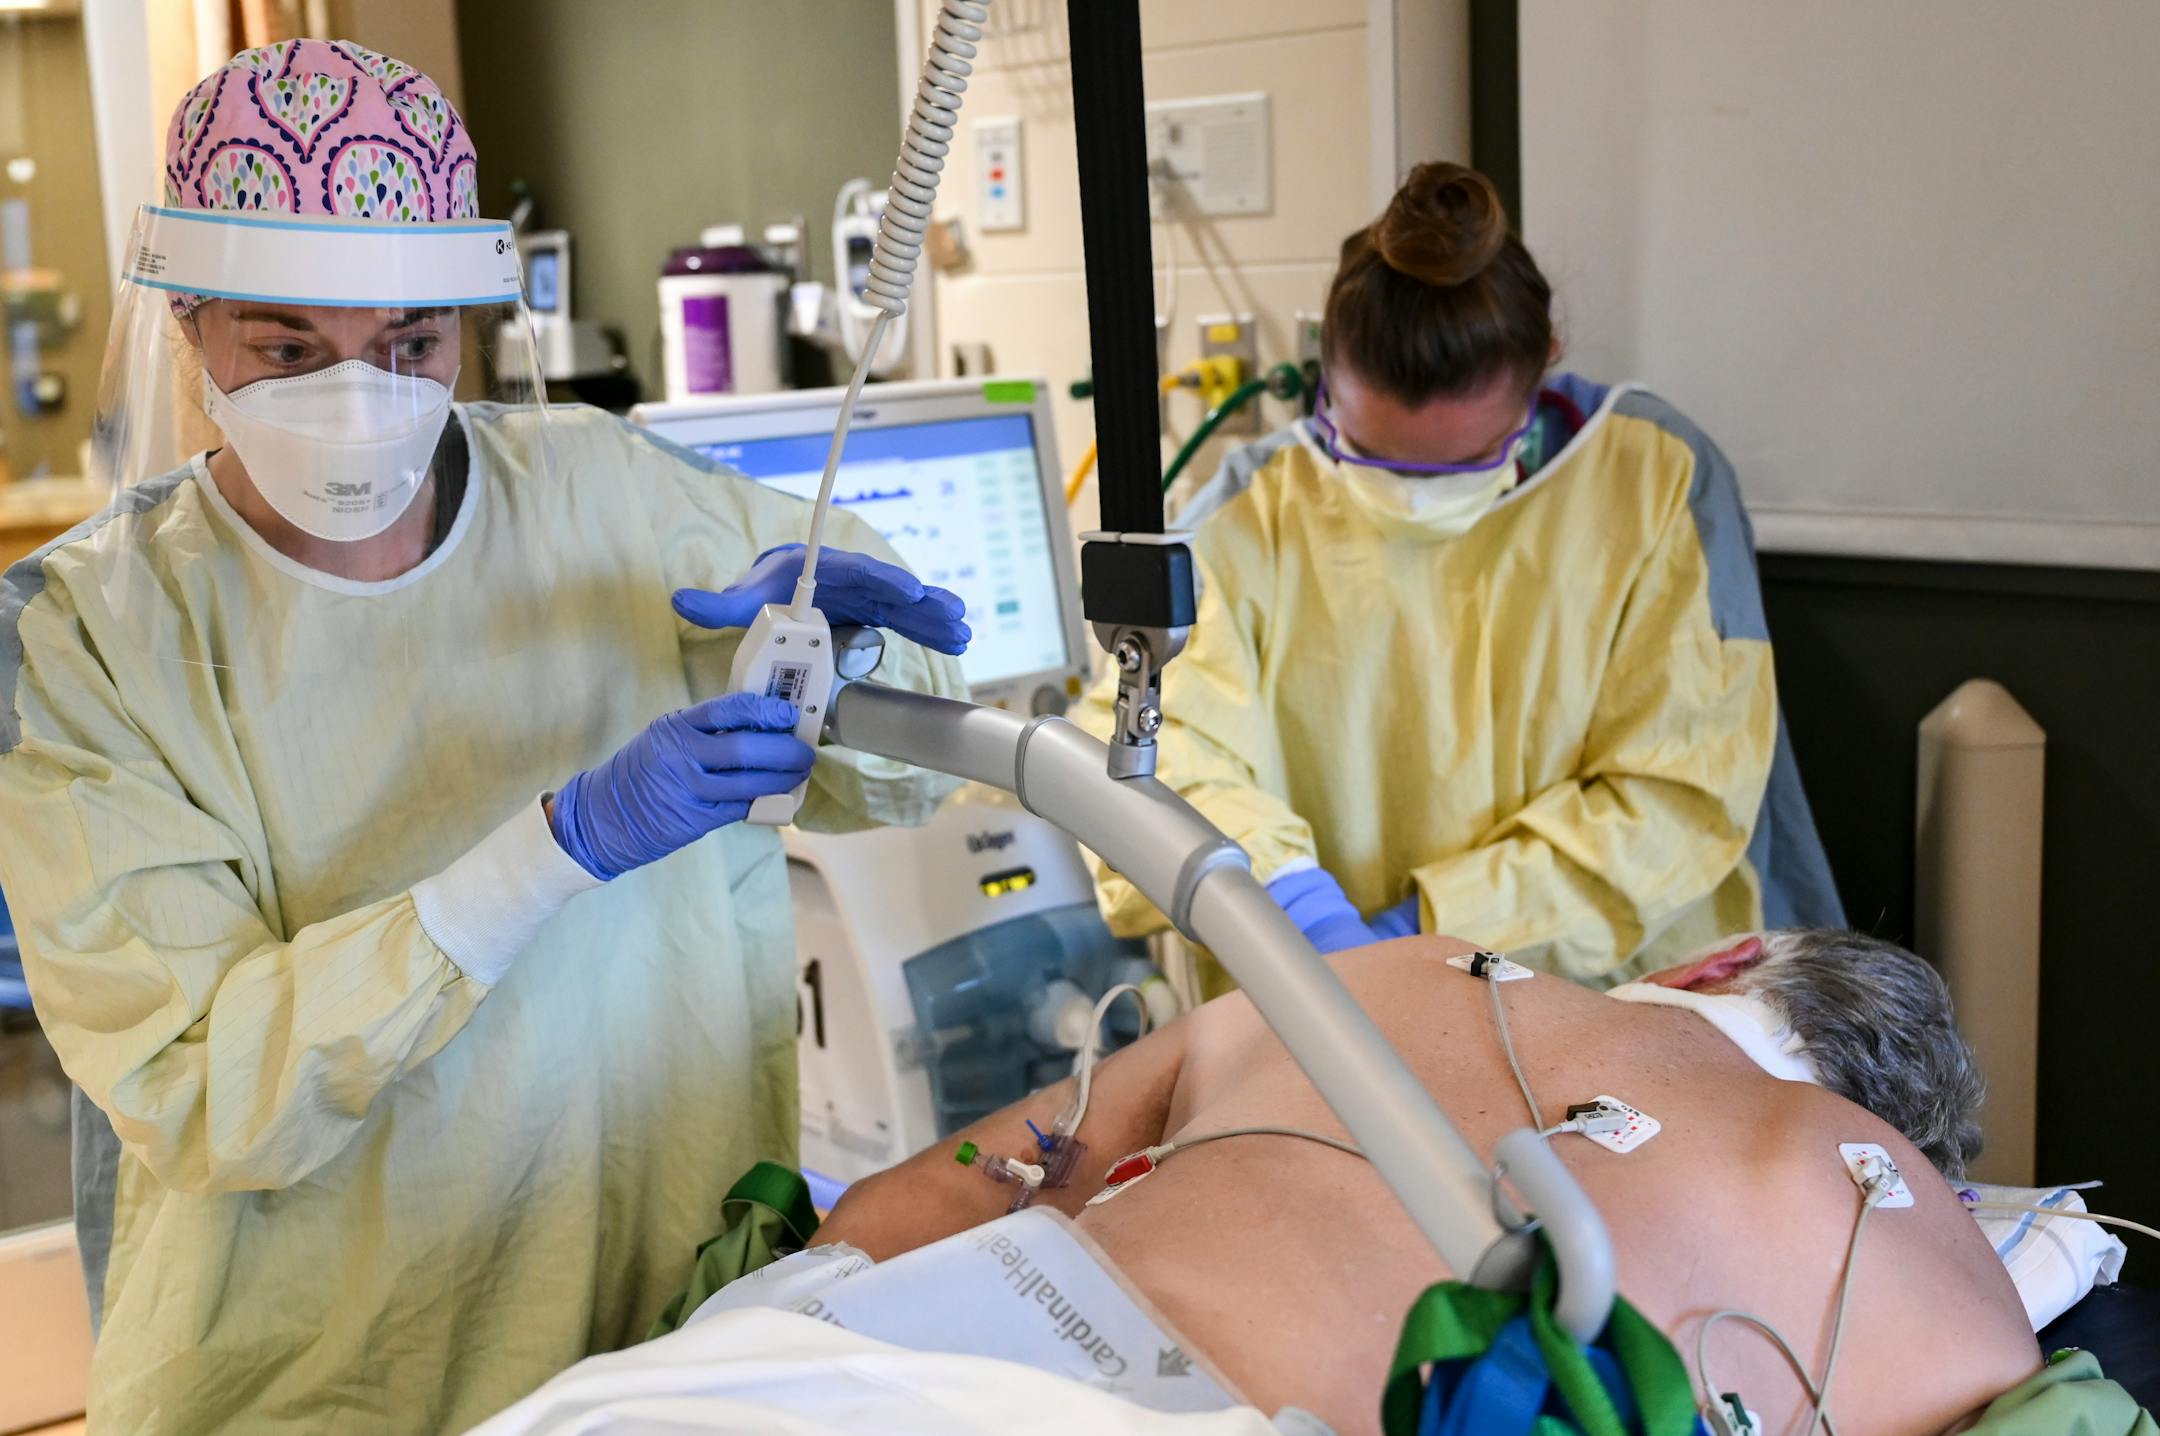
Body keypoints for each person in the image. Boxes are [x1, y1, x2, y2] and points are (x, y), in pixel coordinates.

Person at [0, 40, 968, 1434]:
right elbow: (204, 1088)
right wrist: (553, 852)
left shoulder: (612, 499)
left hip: (653, 1326)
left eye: (409, 347)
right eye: (287, 351)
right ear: (188, 324)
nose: (359, 401)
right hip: (312, 1368)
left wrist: (862, 661)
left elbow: (912, 772)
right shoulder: (82, 639)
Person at [797, 929, 2046, 1435]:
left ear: (1722, 957)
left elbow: (893, 1213)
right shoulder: (1895, 1221)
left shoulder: (1409, 966)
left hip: (810, 1379)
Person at [1078, 161, 1843, 985]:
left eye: (1470, 460)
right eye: (1371, 456)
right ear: (1324, 373)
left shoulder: (1654, 479)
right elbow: (1163, 748)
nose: (1412, 499)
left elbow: (1679, 793)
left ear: (1544, 363)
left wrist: (1427, 931)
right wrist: (1294, 906)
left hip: (1609, 992)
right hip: (1323, 988)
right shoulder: (1245, 515)